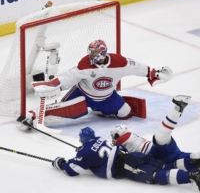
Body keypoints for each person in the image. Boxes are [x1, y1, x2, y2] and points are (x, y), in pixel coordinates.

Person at [31, 39, 173, 122]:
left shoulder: (120, 62)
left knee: (125, 113)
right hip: (82, 94)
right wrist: (54, 86)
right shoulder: (84, 64)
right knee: (65, 113)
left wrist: (153, 73)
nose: (90, 55)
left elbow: (138, 67)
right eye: (90, 51)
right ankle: (34, 116)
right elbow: (69, 77)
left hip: (107, 97)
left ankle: (98, 108)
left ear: (102, 52)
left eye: (94, 52)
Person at [52, 126, 200, 191]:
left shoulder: (84, 153)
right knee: (164, 166)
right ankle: (193, 166)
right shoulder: (100, 139)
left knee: (155, 175)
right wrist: (81, 153)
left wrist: (60, 163)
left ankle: (192, 177)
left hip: (126, 166)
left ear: (82, 140)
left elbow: (72, 170)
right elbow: (93, 152)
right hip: (132, 156)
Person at [110, 95, 200, 173]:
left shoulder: (124, 138)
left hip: (155, 153)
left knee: (162, 139)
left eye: (114, 137)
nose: (113, 140)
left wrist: (114, 145)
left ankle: (177, 109)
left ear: (118, 135)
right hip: (162, 151)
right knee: (183, 159)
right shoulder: (130, 136)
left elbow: (118, 145)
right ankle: (177, 109)